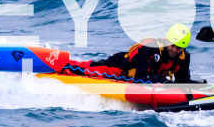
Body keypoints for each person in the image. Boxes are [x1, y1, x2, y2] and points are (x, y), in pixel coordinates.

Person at [64, 23, 192, 83]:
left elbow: (183, 80)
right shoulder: (151, 49)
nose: (174, 50)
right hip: (120, 67)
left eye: (179, 48)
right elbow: (139, 78)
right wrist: (161, 80)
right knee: (84, 69)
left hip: (138, 76)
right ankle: (60, 64)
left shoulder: (183, 57)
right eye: (172, 45)